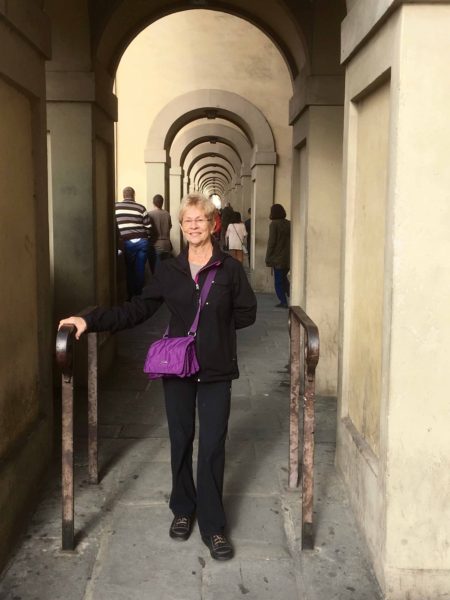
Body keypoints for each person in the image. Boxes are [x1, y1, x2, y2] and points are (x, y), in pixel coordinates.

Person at [59, 192, 257, 562]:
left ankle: (213, 527)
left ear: (213, 224)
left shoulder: (229, 269)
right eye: (188, 220)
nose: (194, 226)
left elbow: (248, 312)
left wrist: (213, 331)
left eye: (201, 219)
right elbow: (137, 309)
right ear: (181, 226)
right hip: (178, 366)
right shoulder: (170, 271)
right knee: (181, 438)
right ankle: (183, 509)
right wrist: (90, 321)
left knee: (213, 445)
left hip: (216, 369)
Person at [115, 186, 156, 298]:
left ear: (123, 195)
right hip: (142, 241)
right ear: (133, 195)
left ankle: (130, 295)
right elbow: (148, 226)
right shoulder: (141, 208)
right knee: (140, 268)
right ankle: (138, 294)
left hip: (126, 240)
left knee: (129, 268)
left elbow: (113, 226)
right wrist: (146, 237)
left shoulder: (116, 207)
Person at [265, 203, 290, 308]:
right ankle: (291, 296)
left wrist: (268, 257)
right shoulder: (289, 223)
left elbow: (272, 242)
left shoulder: (274, 224)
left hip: (277, 257)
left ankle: (283, 301)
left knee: (278, 281)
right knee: (284, 279)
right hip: (288, 257)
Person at [149, 194, 172, 271]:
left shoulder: (150, 214)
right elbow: (169, 227)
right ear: (162, 203)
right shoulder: (167, 214)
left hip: (156, 244)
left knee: (156, 270)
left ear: (153, 203)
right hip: (167, 244)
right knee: (166, 269)